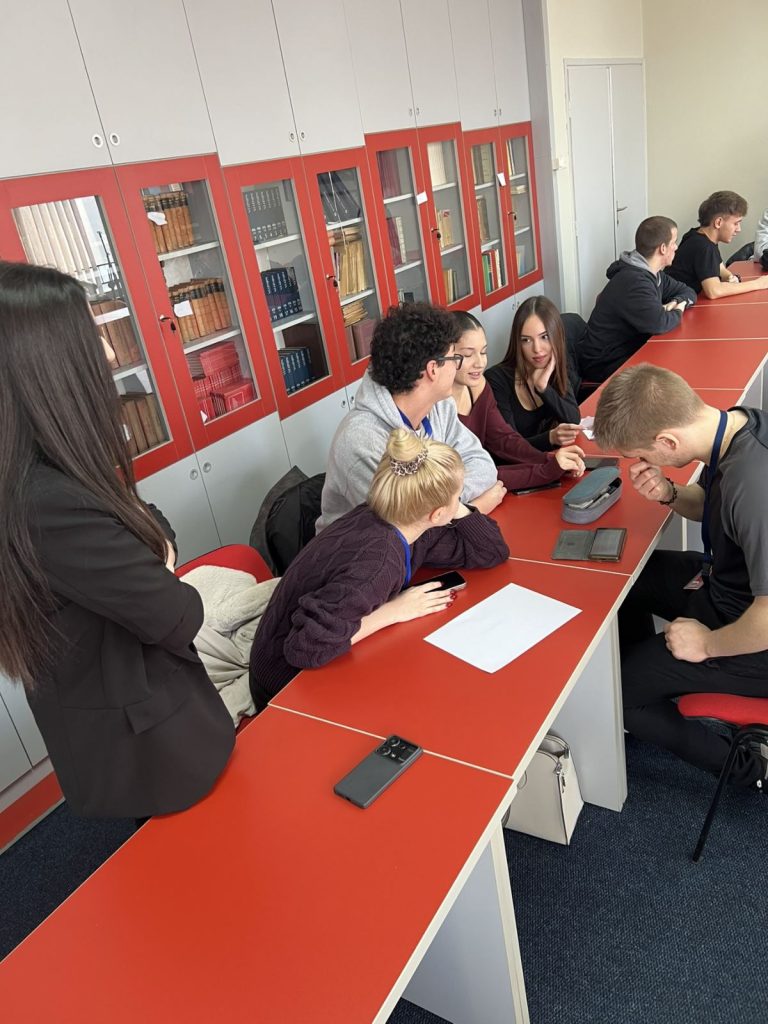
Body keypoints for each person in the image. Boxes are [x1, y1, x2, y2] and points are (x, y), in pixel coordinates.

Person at [0, 260, 234, 819]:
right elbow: (179, 614)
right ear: (46, 364)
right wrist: (158, 552)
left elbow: (149, 521)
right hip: (151, 751)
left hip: (129, 728)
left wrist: (151, 546)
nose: (108, 354)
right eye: (93, 335)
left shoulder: (44, 473)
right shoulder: (48, 502)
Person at [593, 363, 768, 790]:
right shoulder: (733, 428)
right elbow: (711, 505)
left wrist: (705, 645)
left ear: (668, 441)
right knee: (629, 581)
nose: (642, 463)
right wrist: (669, 492)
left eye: (643, 454)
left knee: (619, 692)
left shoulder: (754, 486)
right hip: (726, 585)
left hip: (755, 634)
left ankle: (750, 771)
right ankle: (652, 683)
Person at [250, 428, 509, 711]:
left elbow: (491, 551)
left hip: (312, 656)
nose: (460, 504)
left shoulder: (399, 520)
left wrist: (455, 507)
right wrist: (394, 611)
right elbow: (306, 647)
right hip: (282, 687)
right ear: (436, 514)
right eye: (458, 497)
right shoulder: (378, 562)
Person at [317, 302, 504, 531]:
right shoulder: (362, 442)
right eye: (455, 359)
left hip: (430, 542)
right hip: (364, 551)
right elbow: (408, 530)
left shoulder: (439, 406)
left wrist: (445, 508)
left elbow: (482, 464)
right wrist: (473, 508)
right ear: (433, 369)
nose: (457, 368)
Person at [451, 310, 585, 488]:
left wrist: (548, 460)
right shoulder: (437, 406)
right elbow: (468, 475)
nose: (480, 363)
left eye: (483, 352)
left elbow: (504, 439)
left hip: (488, 485)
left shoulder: (477, 385)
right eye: (468, 355)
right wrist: (547, 469)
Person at [578, 216, 697, 384]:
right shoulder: (634, 282)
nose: (676, 247)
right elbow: (659, 323)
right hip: (604, 361)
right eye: (673, 242)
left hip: (626, 349)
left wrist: (677, 300)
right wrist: (679, 308)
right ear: (663, 248)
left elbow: (687, 291)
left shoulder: (655, 274)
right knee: (669, 375)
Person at [485, 296, 581, 452]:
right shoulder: (496, 380)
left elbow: (573, 420)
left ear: (556, 337)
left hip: (549, 460)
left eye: (544, 337)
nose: (537, 349)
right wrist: (550, 438)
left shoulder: (552, 367)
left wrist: (543, 388)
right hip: (518, 465)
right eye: (526, 340)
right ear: (518, 342)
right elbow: (509, 448)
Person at [669, 190, 768, 299]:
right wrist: (758, 284)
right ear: (718, 222)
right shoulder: (704, 247)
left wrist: (730, 277)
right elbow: (714, 291)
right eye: (736, 223)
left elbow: (720, 268)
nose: (738, 229)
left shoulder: (699, 235)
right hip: (671, 304)